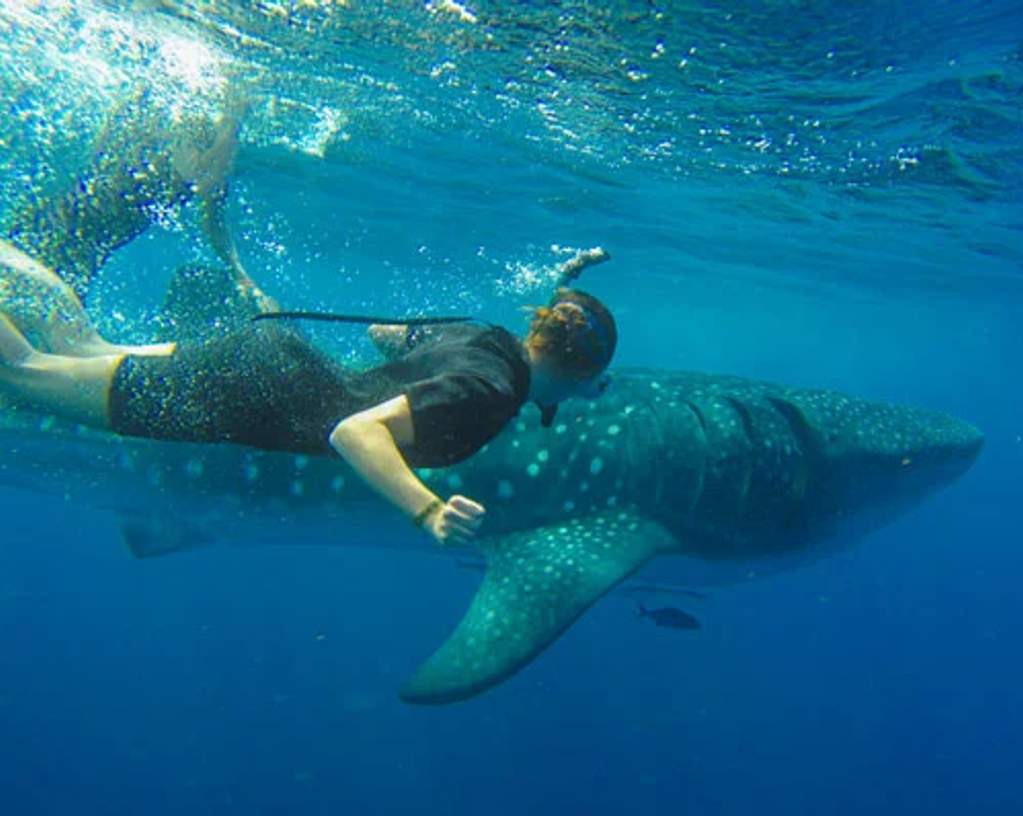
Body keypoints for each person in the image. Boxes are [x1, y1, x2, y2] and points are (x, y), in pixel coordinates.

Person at [0, 100, 617, 545]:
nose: (593, 394)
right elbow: (354, 434)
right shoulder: (491, 391)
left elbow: (386, 339)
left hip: (270, 360)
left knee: (82, 344)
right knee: (21, 373)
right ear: (581, 370)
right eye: (598, 381)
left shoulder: (486, 340)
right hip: (243, 397)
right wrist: (428, 512)